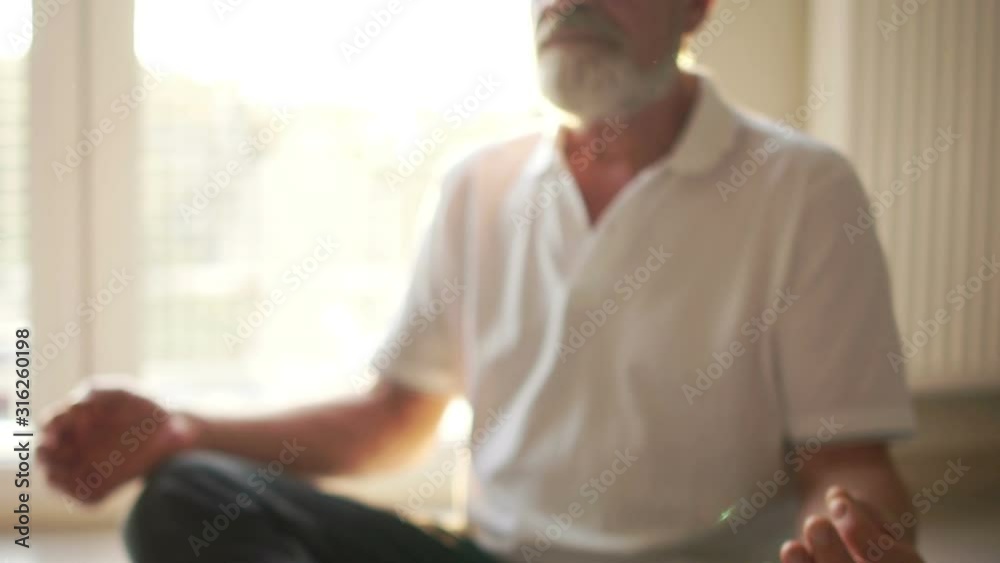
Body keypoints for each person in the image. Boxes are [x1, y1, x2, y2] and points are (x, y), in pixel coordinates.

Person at [40, 1, 927, 562]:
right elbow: (392, 421)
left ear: (697, 5)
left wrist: (857, 536)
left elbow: (847, 460)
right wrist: (184, 431)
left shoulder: (802, 187)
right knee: (184, 500)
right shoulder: (479, 184)